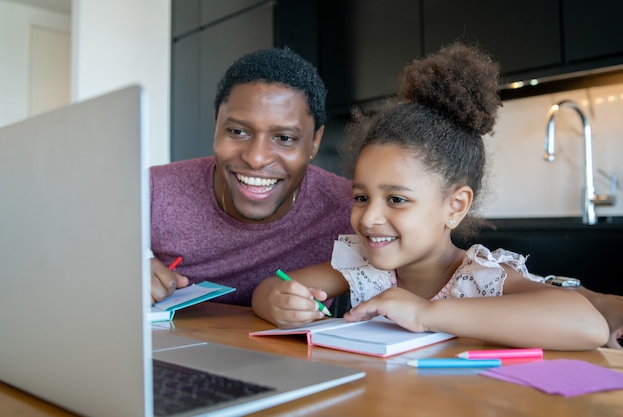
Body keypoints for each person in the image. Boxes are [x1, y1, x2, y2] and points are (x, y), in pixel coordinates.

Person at [252, 43, 613, 351]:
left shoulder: (481, 278)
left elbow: (588, 324)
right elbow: (270, 287)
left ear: (455, 206)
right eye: (361, 197)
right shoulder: (363, 267)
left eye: (396, 199)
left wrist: (426, 314)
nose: (368, 217)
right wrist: (279, 302)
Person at [149, 47, 353, 306]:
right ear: (216, 125)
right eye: (237, 131)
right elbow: (86, 262)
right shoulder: (153, 193)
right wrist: (124, 271)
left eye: (284, 138)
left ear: (314, 142)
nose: (256, 158)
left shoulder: (349, 208)